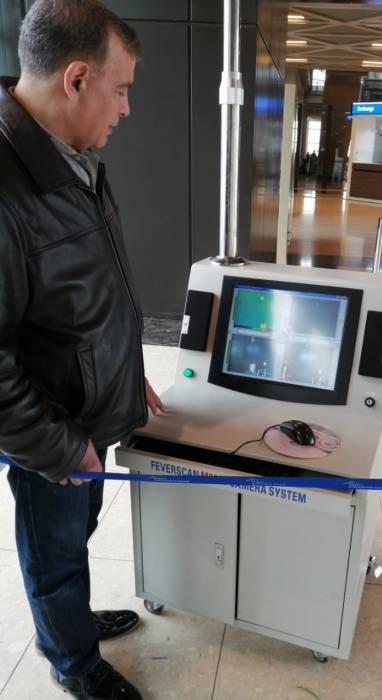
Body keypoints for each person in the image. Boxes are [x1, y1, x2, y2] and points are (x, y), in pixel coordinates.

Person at [0, 1, 165, 698]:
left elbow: (87, 293)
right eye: (120, 89)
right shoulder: (7, 184)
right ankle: (72, 662)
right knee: (54, 555)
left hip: (88, 412)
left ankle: (72, 622)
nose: (126, 108)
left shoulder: (68, 156)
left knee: (75, 537)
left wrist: (127, 373)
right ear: (75, 79)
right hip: (52, 431)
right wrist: (59, 447)